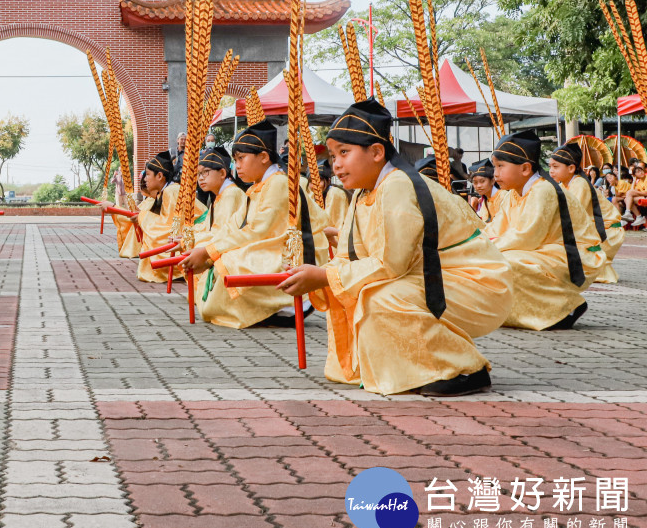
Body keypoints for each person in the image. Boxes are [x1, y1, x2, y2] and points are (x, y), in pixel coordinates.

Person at [279, 99, 513, 397]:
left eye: (344, 152)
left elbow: (391, 265)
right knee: (361, 291)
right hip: (434, 277)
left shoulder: (398, 185)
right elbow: (349, 258)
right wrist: (316, 274)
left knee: (381, 295)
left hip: (476, 281)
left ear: (377, 152)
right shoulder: (364, 194)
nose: (335, 164)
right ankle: (410, 366)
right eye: (334, 155)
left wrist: (324, 277)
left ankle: (463, 368)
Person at [183, 120, 330, 329]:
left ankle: (285, 304)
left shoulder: (279, 183)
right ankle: (258, 308)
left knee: (233, 260)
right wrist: (207, 249)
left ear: (263, 157)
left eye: (241, 158)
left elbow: (258, 231)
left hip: (293, 255)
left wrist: (209, 251)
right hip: (269, 246)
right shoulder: (257, 187)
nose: (238, 165)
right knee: (221, 256)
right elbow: (233, 227)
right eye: (235, 159)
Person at [485, 130, 597, 330]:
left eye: (501, 166)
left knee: (507, 261)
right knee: (491, 259)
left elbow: (527, 236)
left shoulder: (543, 190)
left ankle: (566, 305)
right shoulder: (513, 194)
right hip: (546, 250)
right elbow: (496, 227)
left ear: (526, 168)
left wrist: (486, 247)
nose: (495, 173)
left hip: (574, 253)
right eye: (495, 166)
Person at [105, 151, 199, 282]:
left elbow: (168, 228)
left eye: (148, 175)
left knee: (159, 240)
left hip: (197, 234)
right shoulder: (164, 193)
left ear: (160, 176)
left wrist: (141, 217)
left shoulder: (171, 191)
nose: (145, 179)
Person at [548, 142, 623, 284]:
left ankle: (596, 270)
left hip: (608, 230)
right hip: (594, 227)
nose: (551, 171)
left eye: (555, 167)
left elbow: (573, 214)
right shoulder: (564, 184)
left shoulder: (579, 184)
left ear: (571, 168)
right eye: (550, 166)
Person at [191, 146, 248, 244]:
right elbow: (207, 227)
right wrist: (188, 235)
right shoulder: (220, 195)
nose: (200, 178)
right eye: (198, 174)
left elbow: (222, 234)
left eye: (205, 172)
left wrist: (190, 240)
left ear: (222, 173)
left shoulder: (231, 194)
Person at [319, 159, 350, 231]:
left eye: (319, 180)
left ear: (328, 180)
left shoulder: (334, 193)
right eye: (311, 181)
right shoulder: (312, 194)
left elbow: (331, 222)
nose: (314, 184)